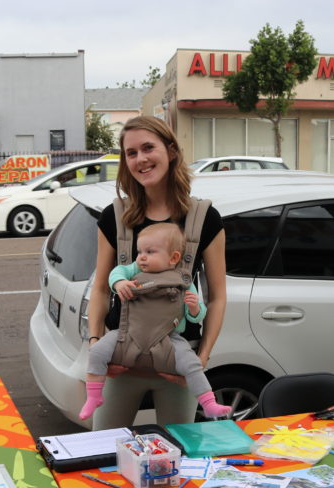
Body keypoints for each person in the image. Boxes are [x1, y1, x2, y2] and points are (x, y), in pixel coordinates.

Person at [87, 116, 228, 429]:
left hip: (176, 368)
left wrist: (202, 358)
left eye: (148, 148)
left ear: (171, 151)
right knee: (103, 449)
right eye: (131, 153)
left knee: (176, 454)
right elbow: (100, 288)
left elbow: (217, 297)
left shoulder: (205, 218)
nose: (141, 159)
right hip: (121, 364)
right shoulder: (115, 216)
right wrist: (95, 341)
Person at [80, 222, 231, 420]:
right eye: (139, 251)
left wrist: (194, 308)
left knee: (192, 365)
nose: (142, 256)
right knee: (98, 350)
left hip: (168, 339)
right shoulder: (134, 270)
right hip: (127, 334)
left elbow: (198, 315)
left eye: (150, 251)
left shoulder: (183, 280)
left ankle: (208, 403)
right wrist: (119, 283)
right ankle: (93, 396)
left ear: (173, 258)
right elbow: (116, 272)